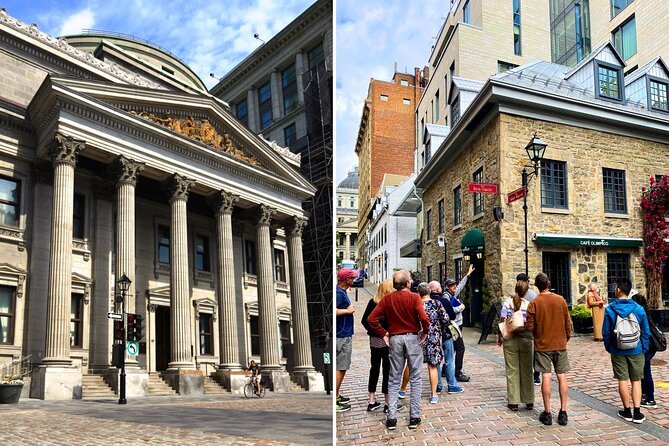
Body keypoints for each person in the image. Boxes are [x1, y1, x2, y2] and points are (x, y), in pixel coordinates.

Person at [368, 270, 430, 431]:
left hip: (395, 339)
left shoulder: (387, 299)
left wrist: (384, 334)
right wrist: (425, 331)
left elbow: (371, 319)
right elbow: (424, 318)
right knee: (415, 378)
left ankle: (392, 418)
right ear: (408, 283)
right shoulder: (414, 297)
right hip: (411, 338)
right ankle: (414, 417)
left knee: (394, 378)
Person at [525, 272, 571, 426]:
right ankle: (563, 412)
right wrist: (566, 337)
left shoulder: (534, 303)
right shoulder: (560, 300)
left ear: (537, 286)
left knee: (546, 375)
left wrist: (537, 334)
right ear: (549, 283)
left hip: (543, 344)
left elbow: (529, 326)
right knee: (562, 375)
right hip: (559, 343)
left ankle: (548, 412)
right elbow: (567, 322)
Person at [602, 279, 651, 424]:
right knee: (636, 380)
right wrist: (643, 347)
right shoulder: (638, 309)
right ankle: (637, 412)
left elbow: (605, 332)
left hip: (618, 349)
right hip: (636, 349)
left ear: (618, 290)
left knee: (622, 379)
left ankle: (627, 411)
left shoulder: (610, 309)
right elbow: (646, 331)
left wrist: (609, 347)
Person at [497, 279, 534, 411]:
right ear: (526, 292)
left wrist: (499, 336)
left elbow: (502, 320)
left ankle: (513, 401)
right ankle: (529, 399)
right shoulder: (529, 304)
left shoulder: (508, 302)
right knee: (527, 370)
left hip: (510, 337)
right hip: (526, 338)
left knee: (512, 370)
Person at [361, 279, 393, 412]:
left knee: (374, 368)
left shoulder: (372, 302)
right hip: (387, 341)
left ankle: (372, 399)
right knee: (387, 370)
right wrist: (385, 333)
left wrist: (375, 332)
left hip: (374, 341)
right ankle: (387, 402)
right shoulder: (389, 303)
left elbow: (364, 321)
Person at [417, 282, 450, 404]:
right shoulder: (437, 303)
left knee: (412, 365)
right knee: (433, 366)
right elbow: (446, 319)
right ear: (429, 292)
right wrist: (437, 326)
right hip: (434, 337)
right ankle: (434, 394)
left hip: (418, 337)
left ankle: (403, 390)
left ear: (418, 293)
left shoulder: (416, 304)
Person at [428, 280, 462, 394]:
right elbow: (452, 316)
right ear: (437, 289)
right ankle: (452, 385)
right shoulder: (443, 300)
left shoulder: (426, 301)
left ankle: (437, 385)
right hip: (445, 333)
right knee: (449, 360)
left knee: (435, 361)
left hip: (432, 336)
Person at [443, 263, 474, 382]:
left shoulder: (451, 294)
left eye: (454, 284)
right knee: (460, 348)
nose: (454, 286)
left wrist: (467, 275)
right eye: (452, 285)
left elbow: (461, 286)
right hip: (453, 326)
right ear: (447, 286)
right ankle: (457, 372)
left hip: (456, 325)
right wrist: (461, 307)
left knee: (453, 347)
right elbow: (448, 311)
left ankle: (446, 369)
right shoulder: (446, 296)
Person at [629, 290, 658, 409]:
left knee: (645, 373)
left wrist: (643, 349)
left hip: (645, 348)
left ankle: (650, 399)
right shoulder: (646, 313)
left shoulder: (640, 315)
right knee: (644, 372)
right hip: (647, 348)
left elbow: (644, 333)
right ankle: (645, 394)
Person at [336, 268, 358, 412]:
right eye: (352, 278)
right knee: (341, 367)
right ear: (346, 280)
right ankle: (334, 402)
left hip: (344, 333)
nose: (354, 280)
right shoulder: (338, 293)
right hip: (342, 335)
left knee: (342, 367)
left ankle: (337, 394)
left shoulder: (342, 292)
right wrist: (347, 311)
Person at [516, 273, 540, 386]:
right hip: (531, 326)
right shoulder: (533, 295)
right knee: (534, 350)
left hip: (519, 327)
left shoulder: (514, 296)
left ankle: (526, 374)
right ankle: (536, 375)